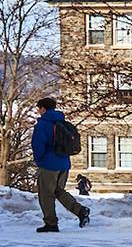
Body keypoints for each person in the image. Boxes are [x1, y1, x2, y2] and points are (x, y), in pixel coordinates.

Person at [30, 97, 90, 233]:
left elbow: (38, 145)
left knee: (46, 195)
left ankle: (51, 223)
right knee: (58, 191)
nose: (38, 111)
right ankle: (80, 211)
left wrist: (39, 161)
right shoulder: (62, 122)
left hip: (48, 164)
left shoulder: (43, 124)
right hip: (64, 163)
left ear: (43, 109)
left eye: (39, 109)